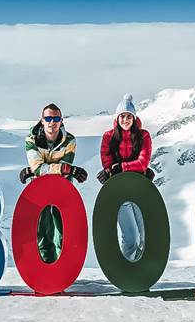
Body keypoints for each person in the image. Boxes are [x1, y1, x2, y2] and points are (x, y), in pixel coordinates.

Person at [19, 103, 87, 263]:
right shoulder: (31, 139)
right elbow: (40, 168)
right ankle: (45, 270)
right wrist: (65, 169)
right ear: (42, 121)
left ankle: (61, 270)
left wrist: (35, 170)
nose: (52, 122)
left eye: (56, 118)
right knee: (42, 229)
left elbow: (57, 173)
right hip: (38, 190)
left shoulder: (69, 140)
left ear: (61, 121)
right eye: (48, 118)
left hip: (62, 189)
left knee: (62, 228)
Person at [97, 94, 154, 261]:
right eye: (122, 116)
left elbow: (143, 163)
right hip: (120, 190)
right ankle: (127, 272)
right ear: (117, 118)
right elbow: (107, 162)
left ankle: (139, 274)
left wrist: (120, 167)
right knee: (131, 237)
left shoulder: (143, 136)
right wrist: (113, 169)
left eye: (129, 116)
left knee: (145, 238)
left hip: (139, 189)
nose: (125, 120)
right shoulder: (109, 137)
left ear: (134, 118)